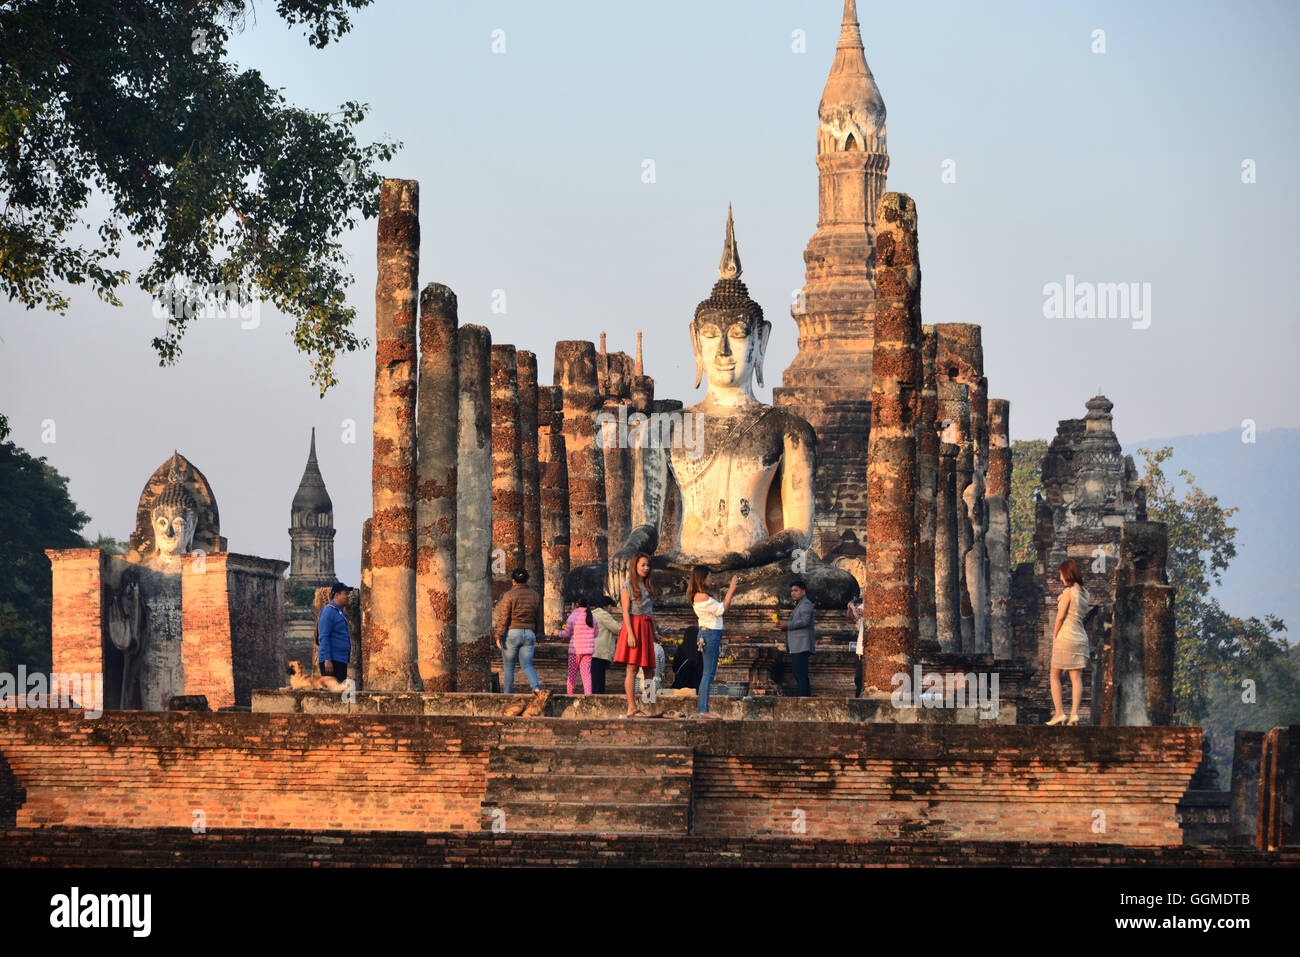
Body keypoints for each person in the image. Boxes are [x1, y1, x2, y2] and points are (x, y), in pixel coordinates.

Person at [689, 564, 737, 718]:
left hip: (708, 633)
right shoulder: (702, 596)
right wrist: (731, 589)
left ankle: (704, 708)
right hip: (709, 633)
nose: (711, 579)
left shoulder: (698, 595)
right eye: (709, 576)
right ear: (702, 579)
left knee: (708, 673)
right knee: (708, 674)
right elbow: (722, 609)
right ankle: (703, 709)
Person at [614, 551, 658, 717]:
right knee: (632, 669)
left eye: (648, 565)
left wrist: (655, 633)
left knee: (649, 670)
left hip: (646, 628)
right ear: (635, 566)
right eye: (643, 565)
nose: (646, 568)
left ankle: (652, 707)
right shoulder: (627, 586)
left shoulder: (648, 587)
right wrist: (631, 634)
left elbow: (651, 613)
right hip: (633, 627)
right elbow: (625, 612)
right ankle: (631, 707)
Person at [1048, 559, 1091, 725]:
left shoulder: (1068, 592)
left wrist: (1054, 637)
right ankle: (1074, 714)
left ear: (1067, 574)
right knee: (1076, 677)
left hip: (1066, 636)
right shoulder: (1085, 593)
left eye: (1060, 574)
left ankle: (1059, 712)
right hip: (1081, 636)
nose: (1060, 578)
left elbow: (1060, 617)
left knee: (1054, 675)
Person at [495, 568, 543, 694]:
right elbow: (538, 617)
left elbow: (504, 617)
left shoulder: (509, 595)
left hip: (512, 633)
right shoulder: (535, 595)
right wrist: (537, 634)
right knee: (527, 665)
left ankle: (508, 694)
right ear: (527, 579)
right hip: (529, 634)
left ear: (513, 581)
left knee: (509, 667)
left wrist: (498, 635)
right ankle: (536, 687)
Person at [557, 594, 598, 695]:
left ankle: (570, 695)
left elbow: (566, 633)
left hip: (575, 651)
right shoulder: (592, 617)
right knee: (586, 675)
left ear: (576, 605)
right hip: (587, 651)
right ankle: (588, 696)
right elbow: (596, 634)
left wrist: (557, 633)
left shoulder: (573, 616)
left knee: (572, 675)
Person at [785, 579, 815, 697]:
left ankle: (804, 698)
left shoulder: (806, 604)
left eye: (796, 590)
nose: (793, 593)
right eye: (792, 591)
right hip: (797, 645)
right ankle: (804, 697)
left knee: (801, 675)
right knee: (799, 674)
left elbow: (805, 622)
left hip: (802, 645)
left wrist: (787, 625)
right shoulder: (800, 605)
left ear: (803, 591)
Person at [317, 582, 353, 683]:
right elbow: (324, 636)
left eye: (348, 594)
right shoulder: (328, 612)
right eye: (345, 593)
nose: (348, 596)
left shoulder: (341, 613)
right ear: (336, 595)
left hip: (341, 659)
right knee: (332, 694)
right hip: (332, 660)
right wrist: (327, 659)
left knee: (340, 693)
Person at [591, 595, 620, 694]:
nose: (612, 609)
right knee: (598, 682)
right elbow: (617, 628)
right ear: (606, 606)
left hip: (593, 651)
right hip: (599, 652)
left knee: (596, 681)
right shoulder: (602, 614)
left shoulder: (592, 614)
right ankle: (597, 701)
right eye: (611, 607)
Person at [670, 625, 703, 691]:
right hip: (696, 688)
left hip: (680, 686)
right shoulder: (700, 651)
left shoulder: (680, 649)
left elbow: (674, 668)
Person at [846, 595, 865, 697]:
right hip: (861, 648)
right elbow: (851, 617)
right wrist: (849, 608)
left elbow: (859, 612)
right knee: (859, 677)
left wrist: (853, 607)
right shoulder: (864, 605)